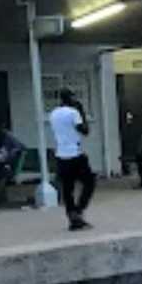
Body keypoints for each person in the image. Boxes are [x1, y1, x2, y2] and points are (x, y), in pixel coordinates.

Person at [50, 88, 94, 230]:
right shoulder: (73, 113)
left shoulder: (53, 114)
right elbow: (85, 131)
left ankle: (72, 216)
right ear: (70, 98)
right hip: (75, 154)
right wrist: (81, 112)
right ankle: (79, 210)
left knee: (67, 189)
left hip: (61, 155)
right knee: (89, 182)